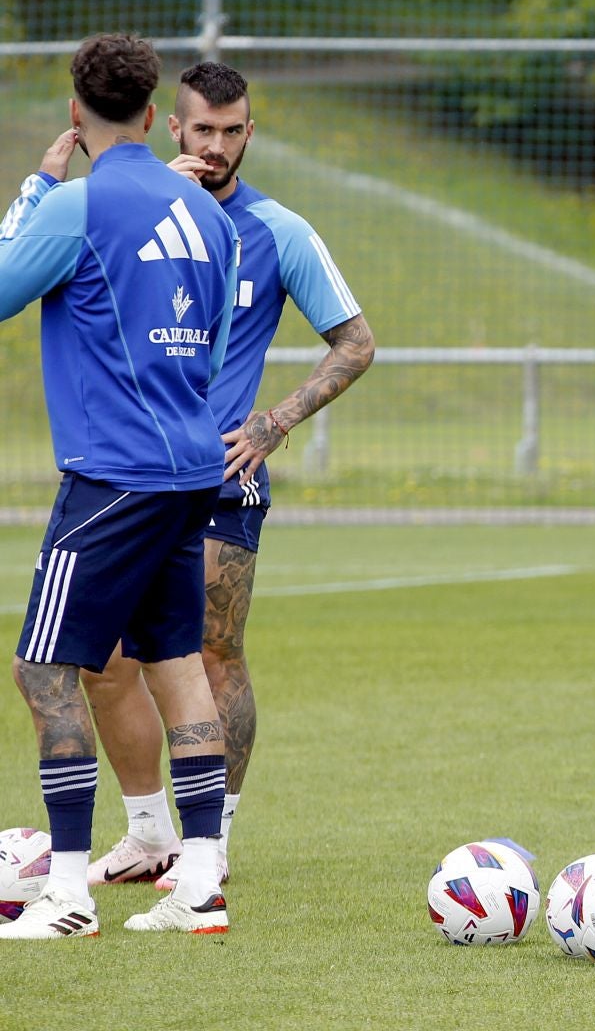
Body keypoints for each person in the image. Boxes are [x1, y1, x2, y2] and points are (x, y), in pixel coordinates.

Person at [77, 62, 374, 892]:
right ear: (170, 128)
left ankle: (215, 844)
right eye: (200, 130)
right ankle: (147, 835)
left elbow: (356, 340)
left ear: (250, 133)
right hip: (129, 470)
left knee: (211, 654)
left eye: (231, 131)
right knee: (101, 661)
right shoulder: (127, 216)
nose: (214, 146)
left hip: (221, 476)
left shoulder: (278, 230)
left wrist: (274, 422)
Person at [0, 34, 240, 939]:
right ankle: (201, 882)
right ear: (152, 114)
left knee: (42, 669)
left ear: (76, 113)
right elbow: (211, 341)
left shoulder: (76, 206)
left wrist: (33, 187)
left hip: (113, 477)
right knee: (176, 665)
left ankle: (63, 897)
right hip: (190, 468)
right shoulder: (209, 214)